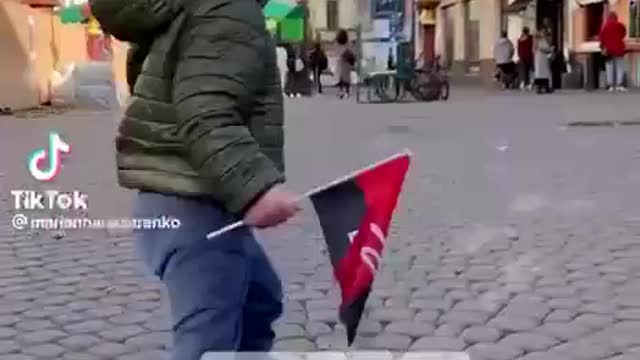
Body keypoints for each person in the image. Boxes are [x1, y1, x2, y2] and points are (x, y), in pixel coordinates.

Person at [89, 1, 301, 360]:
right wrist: (254, 191)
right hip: (193, 201)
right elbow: (206, 112)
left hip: (179, 196)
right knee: (206, 343)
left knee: (259, 300)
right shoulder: (231, 9)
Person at [599, 11, 627, 92]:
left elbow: (601, 38)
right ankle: (619, 85)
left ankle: (610, 85)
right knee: (619, 67)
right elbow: (623, 33)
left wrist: (602, 47)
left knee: (609, 67)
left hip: (609, 50)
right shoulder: (620, 25)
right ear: (616, 18)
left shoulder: (605, 26)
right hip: (619, 49)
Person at [336, 29, 355, 99]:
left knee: (341, 77)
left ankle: (341, 91)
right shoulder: (348, 43)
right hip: (346, 62)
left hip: (341, 61)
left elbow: (337, 51)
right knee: (346, 78)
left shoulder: (338, 42)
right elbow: (351, 52)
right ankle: (346, 92)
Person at [533, 29, 553, 94]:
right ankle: (539, 87)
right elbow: (537, 49)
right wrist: (548, 50)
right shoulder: (537, 40)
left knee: (544, 72)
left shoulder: (544, 40)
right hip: (539, 57)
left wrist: (549, 50)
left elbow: (547, 48)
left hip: (543, 58)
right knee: (540, 72)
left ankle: (545, 87)